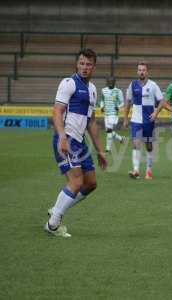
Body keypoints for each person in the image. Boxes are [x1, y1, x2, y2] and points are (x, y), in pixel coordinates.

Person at [45, 49, 107, 238]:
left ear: (94, 67)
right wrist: (62, 137)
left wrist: (100, 151)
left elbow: (92, 122)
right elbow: (57, 111)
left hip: (79, 142)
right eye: (81, 63)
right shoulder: (69, 83)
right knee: (76, 181)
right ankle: (53, 224)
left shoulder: (93, 89)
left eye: (88, 64)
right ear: (76, 64)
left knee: (90, 184)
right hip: (67, 139)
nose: (84, 67)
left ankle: (56, 209)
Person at [124, 62, 164, 179]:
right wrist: (126, 118)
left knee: (148, 145)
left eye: (143, 70)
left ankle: (149, 169)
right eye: (139, 70)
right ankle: (136, 170)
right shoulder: (132, 85)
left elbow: (161, 101)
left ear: (147, 72)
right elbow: (128, 101)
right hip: (136, 120)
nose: (141, 72)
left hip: (148, 121)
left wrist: (156, 113)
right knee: (136, 143)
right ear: (137, 72)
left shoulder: (153, 85)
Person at [99, 76, 126, 152]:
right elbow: (102, 100)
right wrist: (101, 107)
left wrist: (118, 106)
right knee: (108, 131)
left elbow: (122, 102)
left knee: (109, 130)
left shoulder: (118, 91)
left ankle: (108, 148)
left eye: (112, 82)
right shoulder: (103, 90)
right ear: (107, 82)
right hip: (106, 114)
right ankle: (120, 138)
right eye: (109, 82)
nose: (110, 83)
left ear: (114, 82)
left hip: (114, 114)